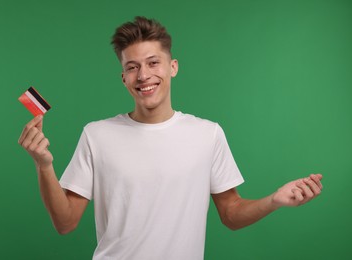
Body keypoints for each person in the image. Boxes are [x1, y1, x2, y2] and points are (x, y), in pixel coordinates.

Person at [18, 16, 323, 260]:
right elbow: (66, 222)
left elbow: (231, 214)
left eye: (153, 63)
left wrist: (274, 200)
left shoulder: (208, 134)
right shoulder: (96, 134)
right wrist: (44, 166)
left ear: (172, 67)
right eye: (132, 67)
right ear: (123, 77)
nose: (143, 75)